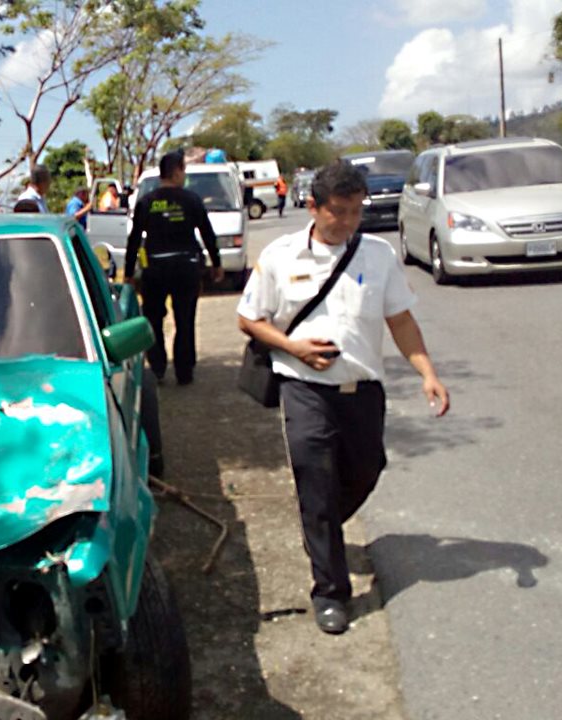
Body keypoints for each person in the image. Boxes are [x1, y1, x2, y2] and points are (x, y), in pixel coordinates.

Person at [237, 161, 450, 635]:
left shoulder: (377, 255)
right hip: (303, 388)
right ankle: (331, 591)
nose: (349, 221)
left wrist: (428, 373)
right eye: (339, 211)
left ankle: (322, 529)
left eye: (357, 210)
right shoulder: (280, 256)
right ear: (313, 206)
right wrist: (292, 347)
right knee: (315, 478)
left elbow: (400, 320)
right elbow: (249, 319)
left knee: (366, 469)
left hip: (363, 390)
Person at [124, 150, 224, 385]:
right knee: (184, 319)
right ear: (177, 172)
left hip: (154, 268)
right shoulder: (191, 200)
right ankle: (184, 371)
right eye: (183, 171)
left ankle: (158, 367)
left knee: (154, 319)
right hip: (185, 267)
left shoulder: (147, 202)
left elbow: (134, 239)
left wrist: (128, 273)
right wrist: (216, 263)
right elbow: (208, 234)